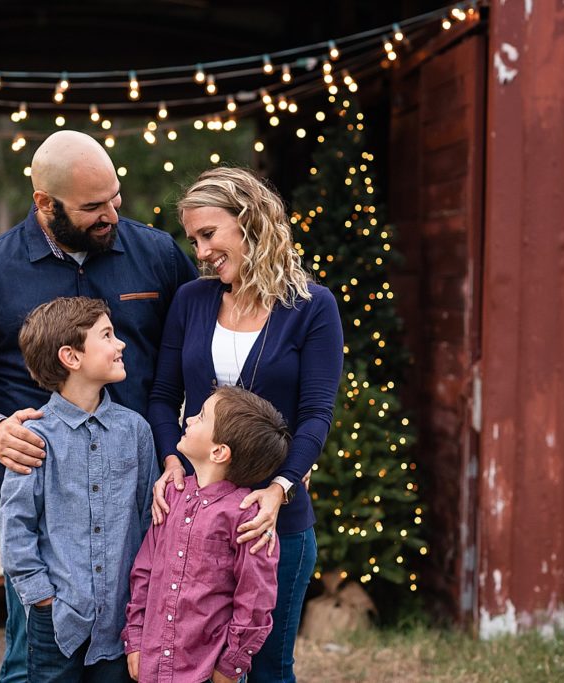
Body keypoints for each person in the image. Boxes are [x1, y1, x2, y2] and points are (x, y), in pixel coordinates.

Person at [0, 130, 197, 683]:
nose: (111, 215)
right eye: (92, 207)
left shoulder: (158, 254)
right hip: (45, 503)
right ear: (45, 203)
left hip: (141, 498)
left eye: (115, 198)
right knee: (38, 665)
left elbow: (198, 352)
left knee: (134, 659)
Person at [148, 167, 344, 682]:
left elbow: (316, 414)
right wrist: (172, 459)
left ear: (250, 221)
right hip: (195, 523)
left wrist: (281, 486)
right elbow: (165, 396)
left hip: (270, 526)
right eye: (193, 240)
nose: (201, 252)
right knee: (188, 664)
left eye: (209, 234)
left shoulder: (311, 307)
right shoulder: (192, 300)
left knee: (265, 670)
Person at [0, 297, 155, 681]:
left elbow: (151, 520)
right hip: (56, 622)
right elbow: (15, 527)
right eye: (107, 335)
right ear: (71, 357)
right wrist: (42, 598)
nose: (120, 344)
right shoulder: (34, 437)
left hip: (121, 623)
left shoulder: (136, 431)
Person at [124, 386, 288, 683]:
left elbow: (255, 600)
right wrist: (135, 639)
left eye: (200, 416)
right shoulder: (170, 497)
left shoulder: (248, 517)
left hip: (205, 672)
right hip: (153, 665)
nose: (188, 420)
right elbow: (144, 571)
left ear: (219, 451)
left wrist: (231, 665)